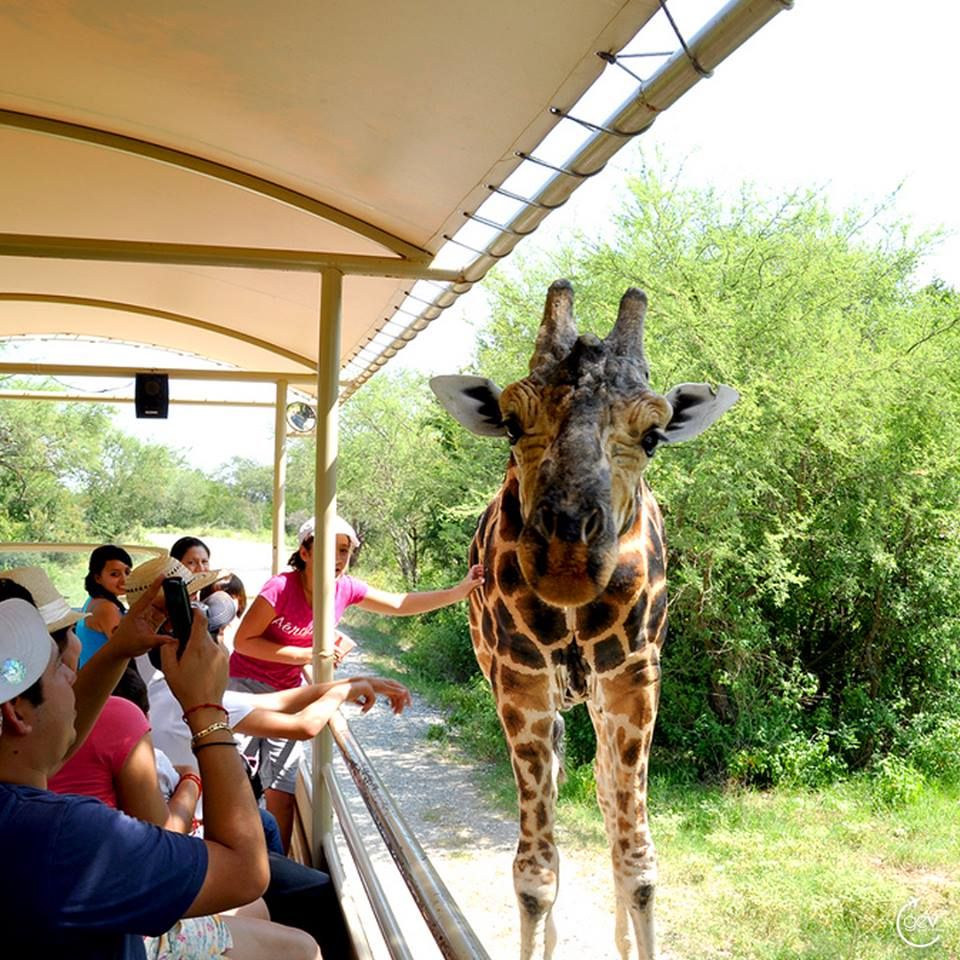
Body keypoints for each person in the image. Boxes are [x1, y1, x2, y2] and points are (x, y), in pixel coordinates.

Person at [0, 582, 324, 958]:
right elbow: (244, 873)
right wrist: (206, 709)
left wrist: (117, 649)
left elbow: (52, 749)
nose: (74, 676)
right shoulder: (60, 836)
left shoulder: (18, 794)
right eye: (59, 669)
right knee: (303, 947)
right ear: (16, 711)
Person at [229, 514, 483, 849]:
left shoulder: (344, 589)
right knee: (236, 779)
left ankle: (277, 870)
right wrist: (308, 655)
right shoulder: (280, 589)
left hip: (290, 693)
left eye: (345, 551)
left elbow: (399, 603)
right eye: (328, 550)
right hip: (246, 687)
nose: (337, 559)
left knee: (282, 787)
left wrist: (458, 591)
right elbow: (244, 642)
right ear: (304, 552)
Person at [75, 544, 133, 667]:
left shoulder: (93, 600)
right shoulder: (107, 608)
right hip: (102, 681)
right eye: (114, 574)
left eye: (127, 572)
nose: (124, 580)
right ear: (97, 578)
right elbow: (126, 649)